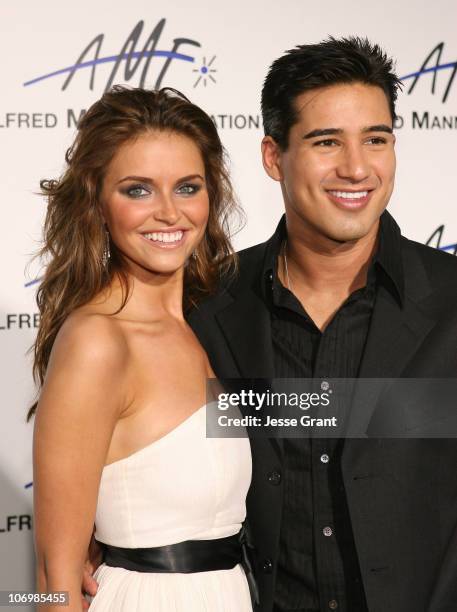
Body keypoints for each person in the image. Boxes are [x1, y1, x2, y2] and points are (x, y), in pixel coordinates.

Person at [187, 37, 457, 612]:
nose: (357, 168)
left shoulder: (453, 300)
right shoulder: (207, 305)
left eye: (376, 140)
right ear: (272, 156)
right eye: (326, 141)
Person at [30, 86, 253, 611]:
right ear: (97, 204)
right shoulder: (97, 341)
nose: (169, 213)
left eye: (187, 187)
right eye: (138, 190)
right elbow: (50, 579)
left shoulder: (212, 324)